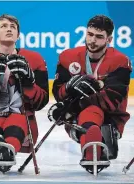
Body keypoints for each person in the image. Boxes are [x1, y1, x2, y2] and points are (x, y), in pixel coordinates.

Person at [49, 15, 132, 174]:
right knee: (88, 113)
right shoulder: (68, 57)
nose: (92, 40)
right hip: (76, 116)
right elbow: (58, 93)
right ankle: (93, 147)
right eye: (90, 34)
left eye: (99, 37)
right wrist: (68, 88)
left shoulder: (120, 61)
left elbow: (112, 100)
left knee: (91, 112)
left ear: (109, 39)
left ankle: (93, 148)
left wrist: (73, 104)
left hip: (111, 117)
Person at [0, 14, 49, 173]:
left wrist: (28, 83)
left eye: (13, 27)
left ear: (18, 35)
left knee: (16, 119)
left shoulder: (34, 59)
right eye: (4, 26)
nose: (9, 29)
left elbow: (42, 102)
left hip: (23, 118)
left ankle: (4, 150)